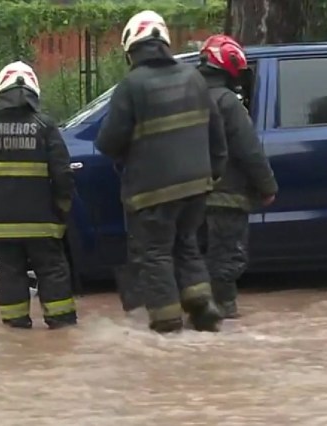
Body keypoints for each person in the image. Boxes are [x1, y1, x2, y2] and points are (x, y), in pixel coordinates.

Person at [94, 10, 228, 334]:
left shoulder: (131, 85)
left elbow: (109, 141)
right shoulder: (195, 78)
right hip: (197, 184)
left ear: (132, 48)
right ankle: (202, 305)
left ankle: (167, 321)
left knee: (155, 253)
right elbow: (217, 134)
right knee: (186, 244)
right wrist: (213, 173)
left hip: (152, 190)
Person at [0, 61, 77, 329]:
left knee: (9, 274)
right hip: (42, 223)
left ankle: (16, 333)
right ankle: (61, 329)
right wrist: (62, 210)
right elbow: (63, 175)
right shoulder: (45, 126)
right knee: (52, 272)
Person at [197, 35, 278, 319]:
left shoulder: (185, 96)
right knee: (226, 260)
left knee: (195, 257)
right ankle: (221, 314)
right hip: (226, 196)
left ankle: (196, 311)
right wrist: (267, 187)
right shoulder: (227, 102)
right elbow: (249, 149)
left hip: (189, 196)